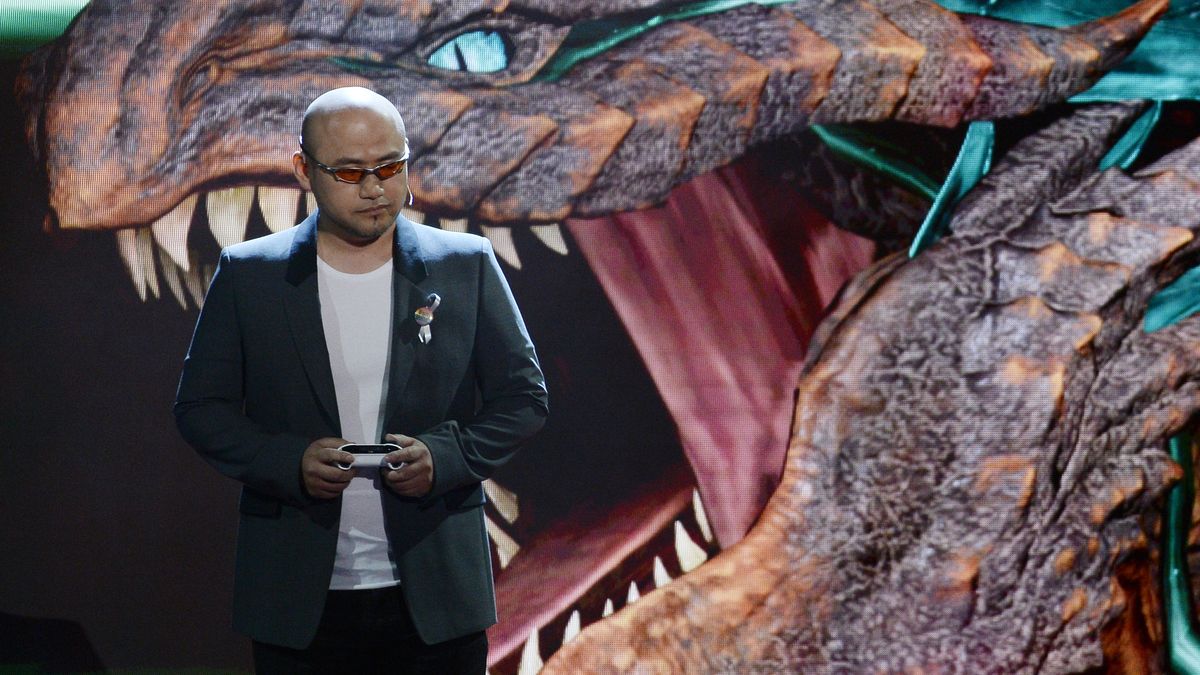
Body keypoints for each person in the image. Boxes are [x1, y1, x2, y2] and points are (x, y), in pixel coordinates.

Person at [174, 86, 548, 673]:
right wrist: (287, 461)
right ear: (305, 170)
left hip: (437, 597)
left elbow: (524, 398)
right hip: (299, 602)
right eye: (349, 172)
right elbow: (200, 408)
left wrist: (447, 458)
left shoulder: (466, 264)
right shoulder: (250, 276)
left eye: (390, 166)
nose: (375, 188)